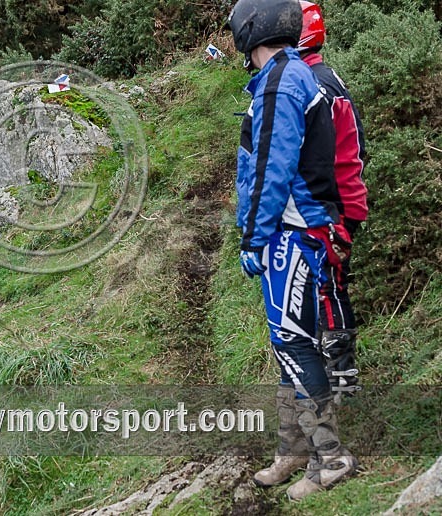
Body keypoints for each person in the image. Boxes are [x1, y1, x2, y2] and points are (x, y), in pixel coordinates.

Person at [227, 0, 357, 500]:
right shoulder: (292, 74)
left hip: (294, 231)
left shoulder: (282, 82)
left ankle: (331, 458)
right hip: (298, 229)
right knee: (287, 343)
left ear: (248, 30)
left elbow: (270, 170)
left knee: (294, 340)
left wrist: (253, 236)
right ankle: (294, 449)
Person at [298, 0, 368, 404]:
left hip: (332, 202)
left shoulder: (315, 86)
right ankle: (335, 377)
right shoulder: (323, 76)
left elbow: (319, 159)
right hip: (341, 197)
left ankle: (342, 380)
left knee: (326, 285)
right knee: (324, 285)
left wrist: (328, 213)